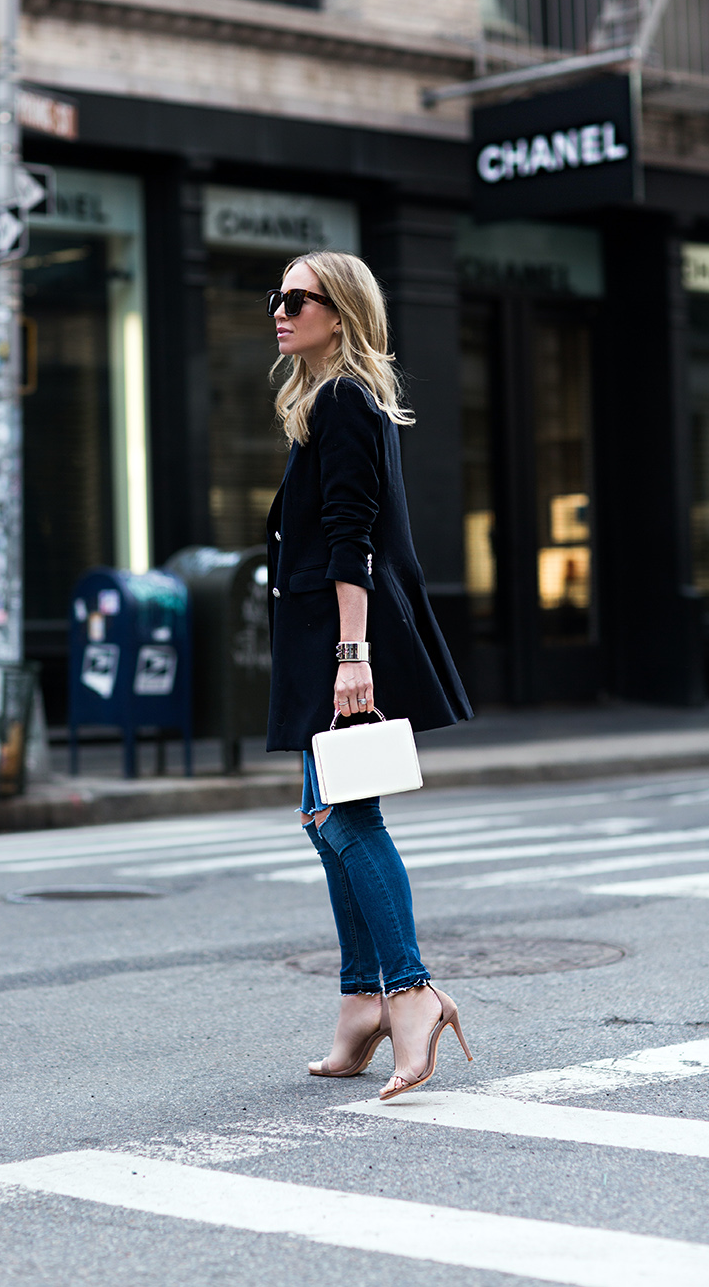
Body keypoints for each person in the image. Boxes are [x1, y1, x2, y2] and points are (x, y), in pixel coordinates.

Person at [265, 250, 474, 1100]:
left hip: (338, 640)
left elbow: (352, 533)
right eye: (273, 297)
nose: (278, 310)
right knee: (326, 818)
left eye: (296, 299)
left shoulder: (346, 398)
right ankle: (362, 1001)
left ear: (340, 313)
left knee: (347, 819)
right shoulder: (326, 397)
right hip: (322, 635)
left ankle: (412, 992)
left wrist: (354, 654)